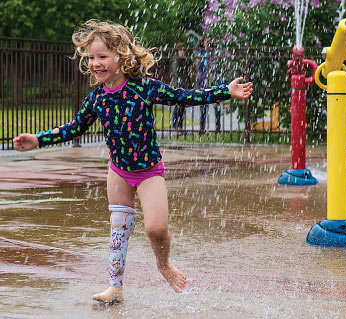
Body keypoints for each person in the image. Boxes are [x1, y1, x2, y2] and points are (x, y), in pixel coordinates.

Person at [13, 19, 253, 304]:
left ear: (121, 57)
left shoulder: (143, 87)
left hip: (149, 170)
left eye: (102, 56)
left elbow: (183, 97)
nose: (95, 63)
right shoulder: (96, 99)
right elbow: (74, 128)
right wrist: (38, 140)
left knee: (156, 229)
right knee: (119, 227)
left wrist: (225, 91)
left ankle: (163, 265)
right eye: (91, 57)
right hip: (118, 171)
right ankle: (115, 286)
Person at [196, 35, 221, 133]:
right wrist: (198, 84)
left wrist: (219, 82)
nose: (207, 43)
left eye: (208, 41)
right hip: (204, 83)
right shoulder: (200, 54)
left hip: (214, 82)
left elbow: (218, 69)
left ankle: (218, 126)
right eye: (205, 41)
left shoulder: (215, 54)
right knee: (203, 106)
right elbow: (199, 70)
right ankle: (202, 128)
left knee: (217, 106)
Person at [170, 43, 193, 130]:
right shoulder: (176, 60)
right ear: (177, 51)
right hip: (178, 86)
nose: (182, 52)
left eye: (184, 50)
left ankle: (179, 125)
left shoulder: (184, 61)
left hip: (183, 86)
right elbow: (176, 74)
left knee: (182, 106)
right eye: (181, 50)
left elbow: (187, 73)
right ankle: (175, 124)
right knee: (178, 106)